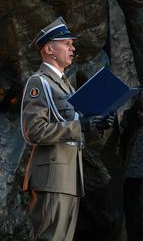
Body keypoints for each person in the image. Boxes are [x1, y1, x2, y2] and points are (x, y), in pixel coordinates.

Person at [20, 17, 109, 241]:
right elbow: (34, 130)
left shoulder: (65, 84)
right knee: (50, 237)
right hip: (52, 176)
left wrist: (95, 124)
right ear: (49, 49)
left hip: (69, 176)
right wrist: (79, 126)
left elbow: (72, 124)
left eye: (72, 44)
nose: (73, 48)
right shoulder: (39, 82)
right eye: (67, 43)